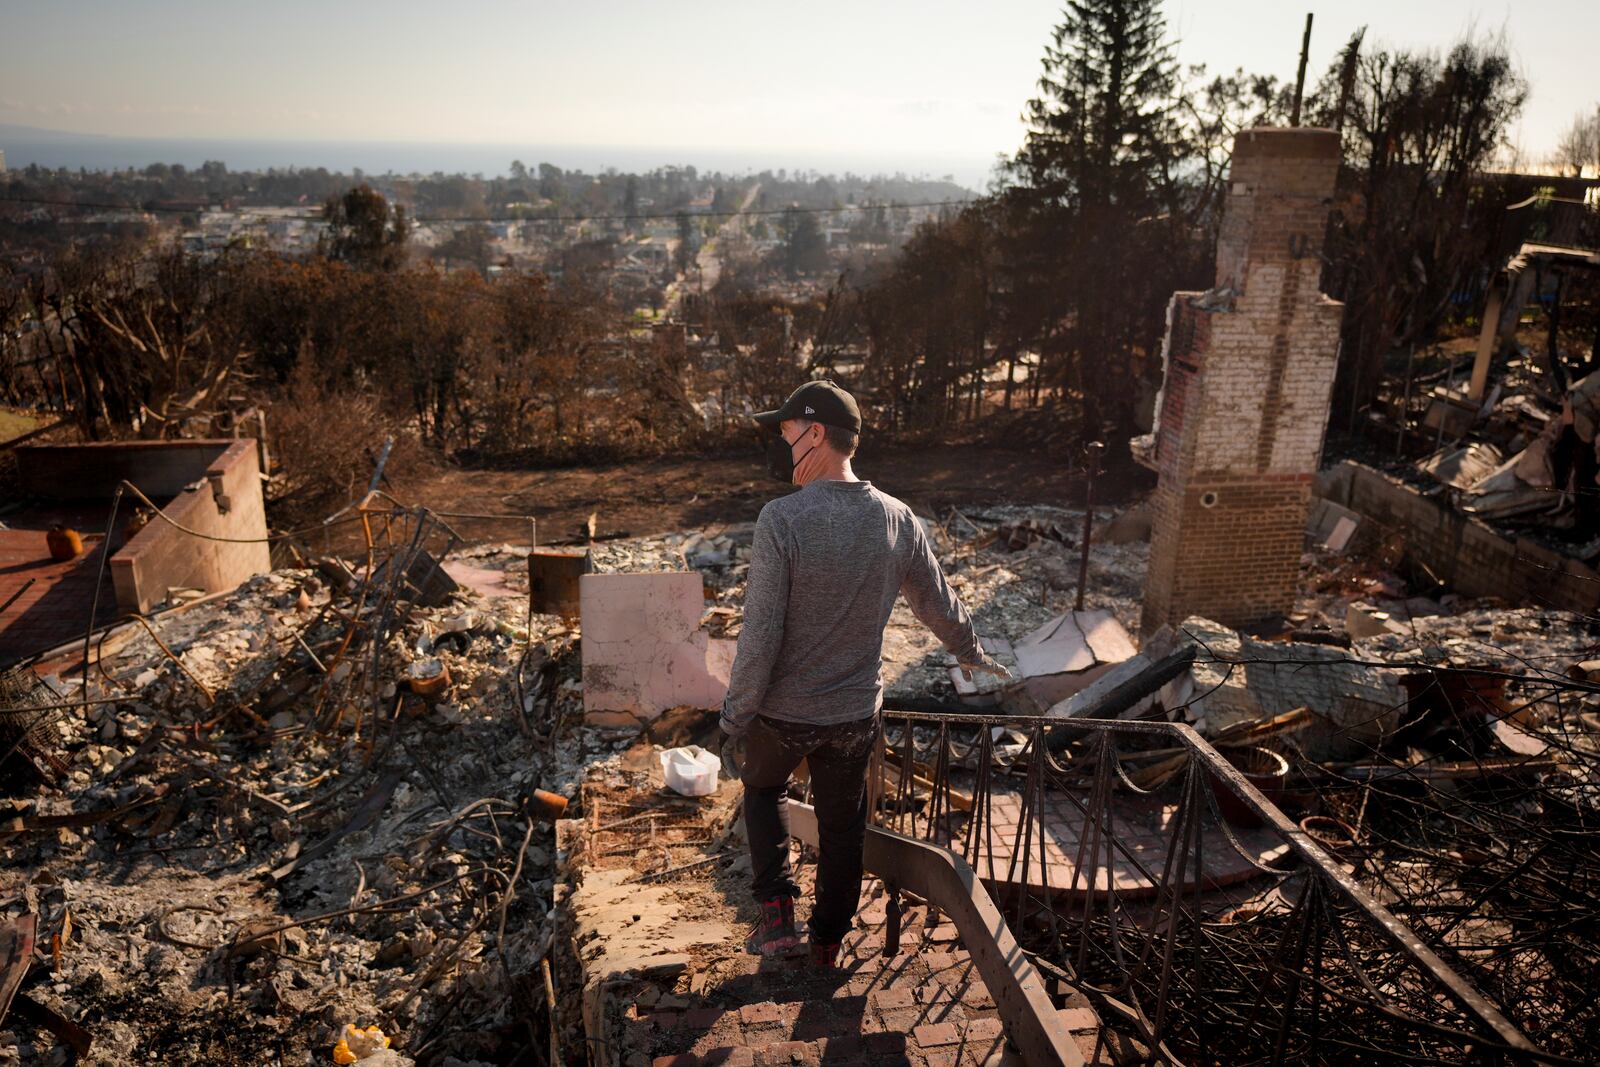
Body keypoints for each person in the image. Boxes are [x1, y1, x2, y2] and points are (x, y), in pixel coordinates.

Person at [719, 379, 1009, 968]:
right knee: (843, 827)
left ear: (816, 434)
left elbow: (761, 634)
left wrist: (735, 715)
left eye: (786, 433)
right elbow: (936, 604)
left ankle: (776, 918)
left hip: (783, 713)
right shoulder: (898, 519)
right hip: (853, 714)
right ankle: (826, 943)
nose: (781, 445)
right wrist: (969, 650)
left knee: (763, 788)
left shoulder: (782, 520)